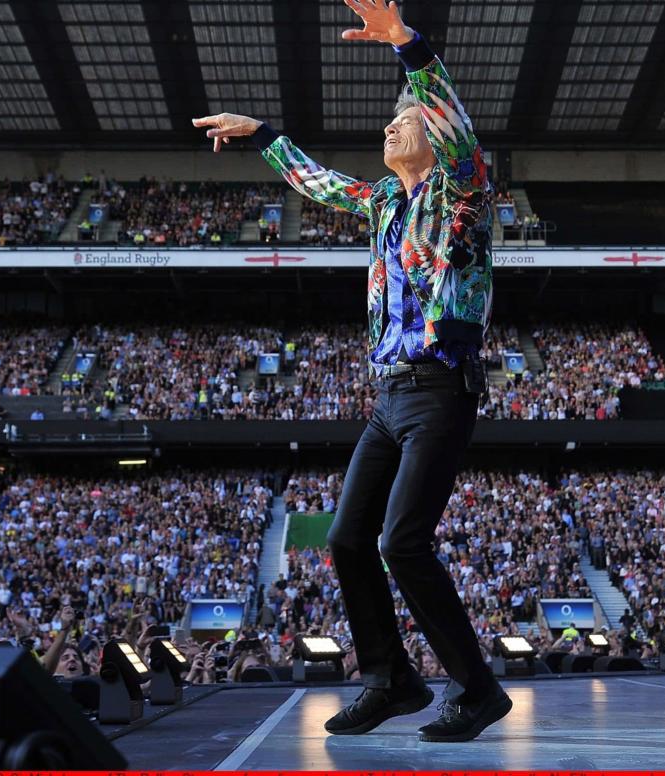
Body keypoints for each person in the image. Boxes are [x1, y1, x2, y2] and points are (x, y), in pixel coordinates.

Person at [192, 0, 507, 743]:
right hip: (389, 396)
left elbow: (450, 120)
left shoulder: (461, 189)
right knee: (344, 539)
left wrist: (405, 44)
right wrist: (264, 135)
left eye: (403, 121)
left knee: (403, 542)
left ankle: (478, 688)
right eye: (390, 122)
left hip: (438, 390)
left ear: (435, 136)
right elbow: (319, 181)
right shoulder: (382, 203)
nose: (388, 129)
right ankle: (390, 678)